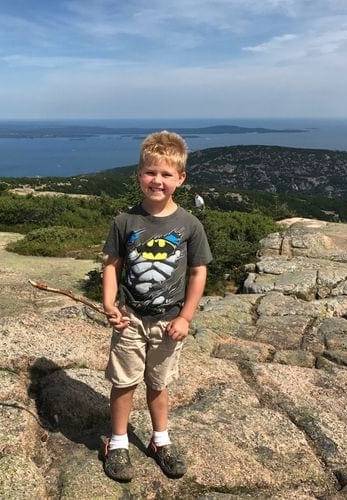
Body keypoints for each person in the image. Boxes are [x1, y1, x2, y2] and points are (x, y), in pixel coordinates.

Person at [102, 130, 212, 482]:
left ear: (181, 179)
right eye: (151, 172)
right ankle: (117, 442)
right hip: (130, 318)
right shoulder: (124, 222)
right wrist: (109, 302)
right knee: (123, 382)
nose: (157, 180)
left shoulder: (189, 225)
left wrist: (186, 316)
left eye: (166, 174)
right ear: (139, 175)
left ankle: (159, 439)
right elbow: (112, 264)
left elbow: (198, 272)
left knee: (158, 383)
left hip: (169, 323)